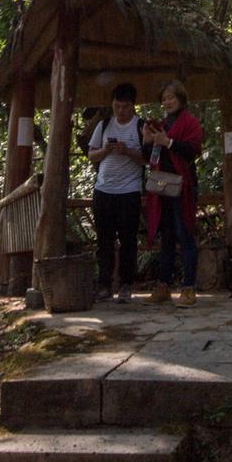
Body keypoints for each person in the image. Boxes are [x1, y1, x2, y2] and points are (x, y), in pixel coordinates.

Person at [143, 79, 204, 307]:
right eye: (164, 98)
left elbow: (192, 149)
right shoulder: (162, 123)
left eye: (172, 98)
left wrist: (168, 142)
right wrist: (148, 141)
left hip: (183, 186)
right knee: (166, 236)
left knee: (185, 232)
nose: (168, 102)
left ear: (181, 99)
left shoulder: (190, 122)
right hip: (162, 186)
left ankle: (188, 288)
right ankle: (163, 286)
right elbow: (151, 155)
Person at [85, 84, 146, 303]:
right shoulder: (104, 125)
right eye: (117, 106)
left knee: (128, 239)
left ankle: (127, 284)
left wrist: (127, 151)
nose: (121, 111)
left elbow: (148, 159)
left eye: (125, 107)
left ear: (133, 106)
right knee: (104, 240)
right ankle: (104, 283)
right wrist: (106, 150)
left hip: (129, 190)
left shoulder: (141, 127)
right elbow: (92, 155)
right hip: (103, 190)